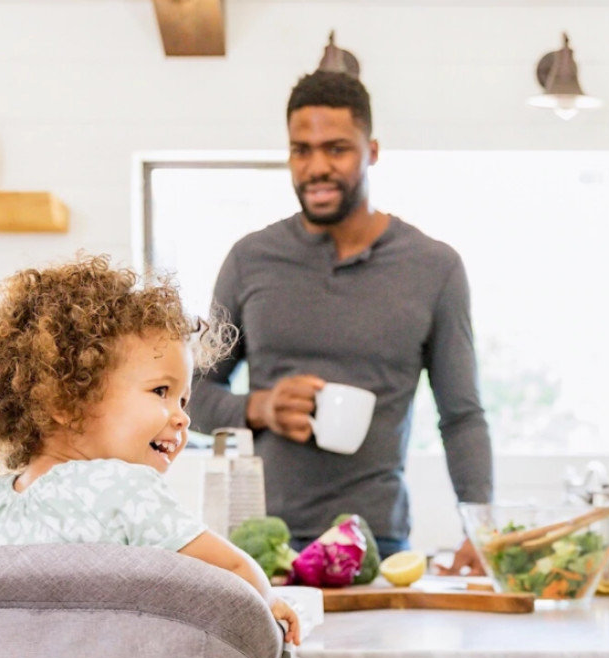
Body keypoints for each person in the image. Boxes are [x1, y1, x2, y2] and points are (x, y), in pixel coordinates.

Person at [189, 69, 492, 566]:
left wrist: (480, 528)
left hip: (378, 545)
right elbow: (189, 396)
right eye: (300, 150)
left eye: (336, 148)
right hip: (259, 548)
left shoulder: (435, 268)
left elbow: (461, 417)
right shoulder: (250, 259)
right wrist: (259, 408)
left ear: (371, 151)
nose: (315, 167)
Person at [0, 254, 300, 645]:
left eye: (183, 400)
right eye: (161, 391)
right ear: (63, 402)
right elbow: (233, 570)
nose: (182, 419)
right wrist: (269, 599)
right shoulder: (124, 486)